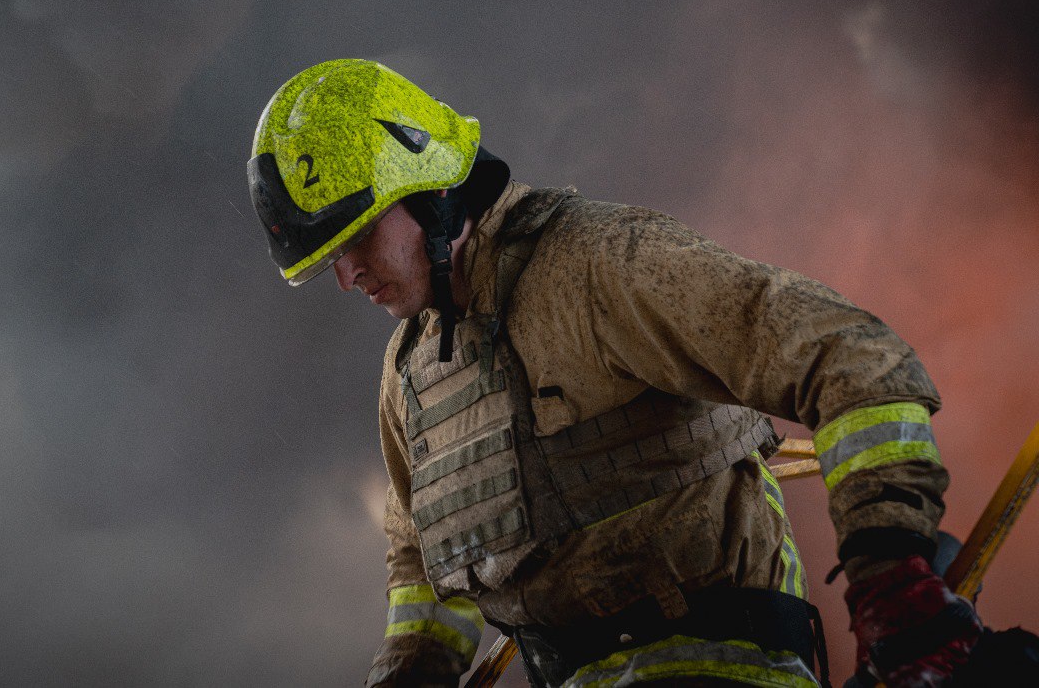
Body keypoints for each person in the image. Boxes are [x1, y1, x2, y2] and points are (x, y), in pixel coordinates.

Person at [247, 59, 981, 687]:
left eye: (359, 234)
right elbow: (422, 568)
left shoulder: (599, 265)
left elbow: (849, 353)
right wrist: (412, 667)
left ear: (430, 191)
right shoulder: (409, 374)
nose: (346, 274)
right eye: (328, 257)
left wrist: (891, 574)